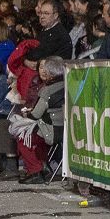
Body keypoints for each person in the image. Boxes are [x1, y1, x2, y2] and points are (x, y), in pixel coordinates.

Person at [12, 57, 66, 185]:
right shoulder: (66, 84)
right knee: (35, 136)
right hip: (63, 127)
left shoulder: (48, 90)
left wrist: (27, 114)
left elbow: (36, 115)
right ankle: (43, 166)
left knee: (23, 137)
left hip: (52, 129)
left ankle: (35, 171)